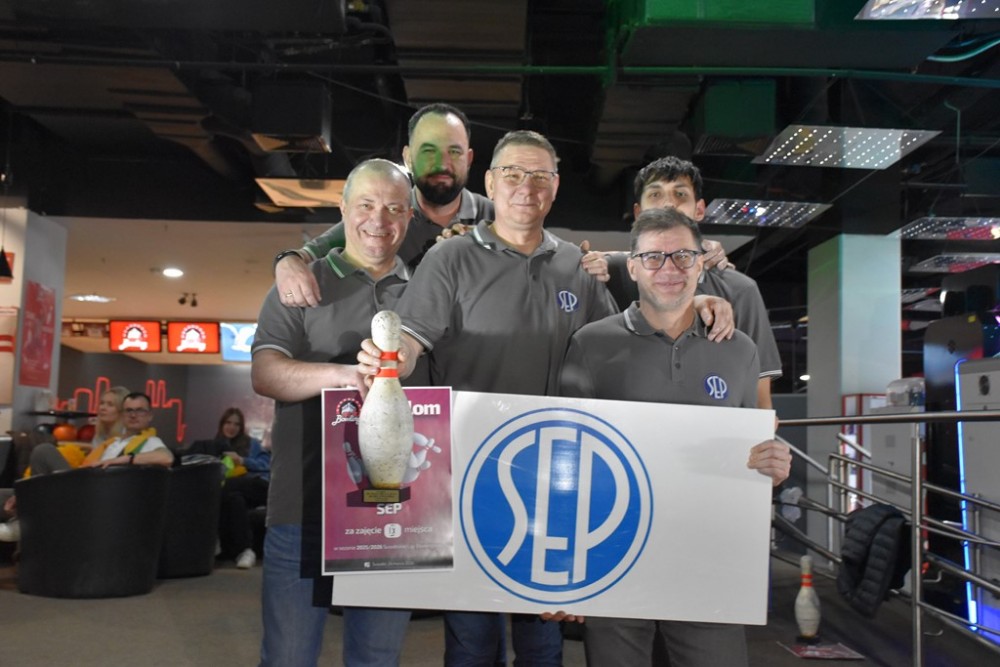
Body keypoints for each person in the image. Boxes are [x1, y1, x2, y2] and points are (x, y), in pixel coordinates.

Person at [357, 130, 736, 667]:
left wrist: (695, 302)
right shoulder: (449, 259)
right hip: (468, 478)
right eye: (512, 174)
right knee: (472, 640)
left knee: (543, 640)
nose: (525, 187)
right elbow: (416, 337)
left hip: (557, 483)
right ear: (490, 183)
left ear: (555, 188)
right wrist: (393, 359)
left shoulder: (577, 267)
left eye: (539, 176)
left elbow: (626, 338)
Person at [557, 207, 792, 667]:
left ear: (701, 263)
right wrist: (567, 570)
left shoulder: (740, 350)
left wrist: (772, 467)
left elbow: (752, 449)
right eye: (653, 258)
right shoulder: (589, 344)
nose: (669, 269)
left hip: (709, 564)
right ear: (633, 267)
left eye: (683, 256)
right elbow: (568, 462)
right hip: (614, 559)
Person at [251, 158, 424, 666]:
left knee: (377, 658)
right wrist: (347, 376)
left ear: (410, 217)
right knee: (288, 657)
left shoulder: (427, 294)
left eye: (394, 208)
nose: (379, 220)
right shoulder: (300, 284)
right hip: (302, 506)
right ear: (342, 210)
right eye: (366, 204)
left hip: (393, 512)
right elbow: (266, 374)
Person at [273, 102, 608, 307]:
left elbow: (546, 263)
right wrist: (287, 262)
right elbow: (307, 254)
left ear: (469, 159)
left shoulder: (498, 217)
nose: (442, 163)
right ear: (408, 157)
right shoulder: (385, 220)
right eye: (428, 150)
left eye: (454, 152)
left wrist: (586, 265)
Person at [604, 156, 782, 409]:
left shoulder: (740, 290)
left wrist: (762, 428)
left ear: (699, 209)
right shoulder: (611, 274)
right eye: (655, 194)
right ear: (638, 212)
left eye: (680, 194)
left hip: (713, 429)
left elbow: (760, 394)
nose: (668, 203)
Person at [0, 391, 174, 542]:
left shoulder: (151, 441)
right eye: (129, 410)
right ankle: (25, 513)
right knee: (6, 495)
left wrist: (124, 459)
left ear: (149, 416)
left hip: (95, 497)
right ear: (122, 415)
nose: (134, 415)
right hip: (82, 485)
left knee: (44, 451)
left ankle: (25, 520)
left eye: (140, 410)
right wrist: (25, 491)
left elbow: (166, 457)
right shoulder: (114, 443)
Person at [184, 407, 270, 570]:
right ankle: (245, 551)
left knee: (221, 490)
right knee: (234, 500)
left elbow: (267, 465)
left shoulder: (251, 443)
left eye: (236, 424)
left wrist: (242, 461)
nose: (232, 427)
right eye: (228, 423)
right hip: (232, 490)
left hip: (256, 484)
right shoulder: (215, 445)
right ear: (222, 424)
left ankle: (216, 542)